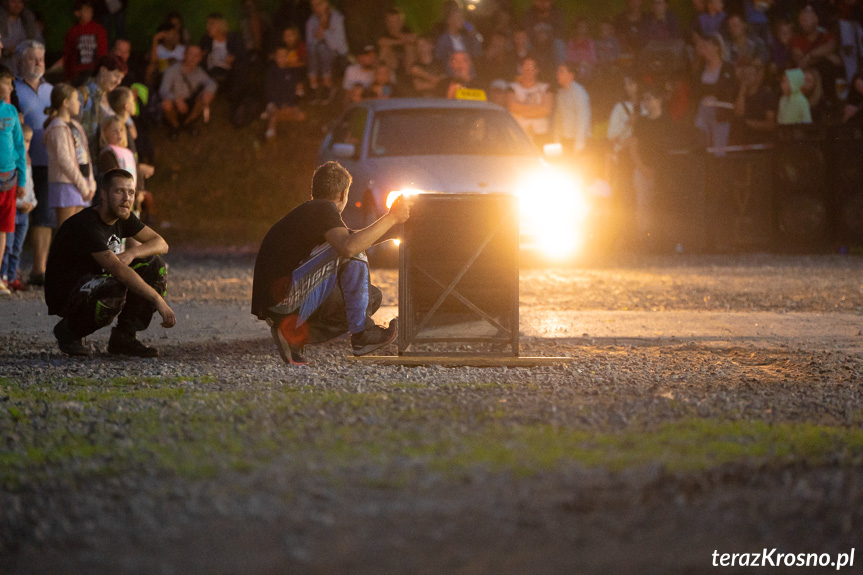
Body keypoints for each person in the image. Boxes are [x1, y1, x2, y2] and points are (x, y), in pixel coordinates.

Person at [251, 161, 410, 365]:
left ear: (314, 191)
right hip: (285, 297)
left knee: (371, 296)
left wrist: (390, 229)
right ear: (344, 194)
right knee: (353, 250)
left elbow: (348, 238)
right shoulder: (322, 208)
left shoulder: (311, 212)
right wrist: (392, 217)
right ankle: (362, 335)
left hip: (278, 299)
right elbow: (349, 246)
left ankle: (293, 335)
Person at [44, 167, 175, 357]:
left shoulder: (123, 215)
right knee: (114, 288)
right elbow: (118, 270)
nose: (126, 198)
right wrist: (157, 299)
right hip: (67, 292)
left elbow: (161, 244)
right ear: (104, 194)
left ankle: (124, 338)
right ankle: (69, 331)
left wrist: (132, 253)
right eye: (119, 191)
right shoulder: (87, 224)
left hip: (96, 279)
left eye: (130, 192)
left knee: (155, 266)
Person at [13, 40, 52, 286]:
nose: (38, 63)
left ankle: (40, 269)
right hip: (21, 163)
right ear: (19, 62)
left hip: (47, 162)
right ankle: (10, 271)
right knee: (16, 216)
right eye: (32, 58)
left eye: (41, 58)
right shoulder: (12, 89)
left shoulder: (52, 89)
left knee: (44, 216)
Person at [44, 82, 96, 228]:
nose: (79, 103)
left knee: (78, 231)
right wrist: (83, 186)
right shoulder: (57, 127)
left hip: (81, 184)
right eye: (76, 99)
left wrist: (90, 182)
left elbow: (86, 154)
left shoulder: (76, 125)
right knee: (67, 230)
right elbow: (64, 160)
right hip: (66, 184)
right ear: (66, 103)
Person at [0, 62, 25, 296]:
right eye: (7, 82)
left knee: (4, 229)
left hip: (9, 179)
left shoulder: (10, 112)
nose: (10, 87)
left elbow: (19, 146)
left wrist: (23, 180)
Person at [158, 45, 217, 139]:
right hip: (175, 102)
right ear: (184, 55)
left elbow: (211, 83)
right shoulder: (172, 70)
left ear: (200, 58)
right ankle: (175, 126)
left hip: (189, 101)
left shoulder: (199, 71)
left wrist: (208, 91)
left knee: (207, 96)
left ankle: (188, 123)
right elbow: (163, 91)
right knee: (166, 104)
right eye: (190, 54)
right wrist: (176, 99)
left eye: (196, 55)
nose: (193, 58)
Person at [2, 122, 34, 292]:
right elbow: (12, 191)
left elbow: (30, 186)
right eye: (23, 140)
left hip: (25, 211)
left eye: (28, 141)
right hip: (15, 209)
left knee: (18, 246)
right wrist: (22, 203)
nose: (25, 144)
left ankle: (13, 275)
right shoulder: (10, 162)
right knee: (8, 244)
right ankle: (5, 275)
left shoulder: (27, 161)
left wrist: (33, 202)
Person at [76, 53, 126, 158]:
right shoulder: (82, 95)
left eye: (121, 78)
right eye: (116, 75)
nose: (118, 82)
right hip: (87, 160)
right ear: (103, 70)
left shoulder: (111, 98)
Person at [305, 0, 348, 105]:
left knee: (323, 48)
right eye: (313, 5)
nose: (316, 8)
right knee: (315, 48)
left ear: (326, 3)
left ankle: (327, 86)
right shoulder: (311, 21)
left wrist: (325, 33)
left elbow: (338, 45)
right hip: (318, 56)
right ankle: (313, 87)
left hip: (339, 56)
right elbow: (310, 43)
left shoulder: (337, 18)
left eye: (318, 4)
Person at [263, 43, 305, 140]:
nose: (282, 58)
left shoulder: (293, 71)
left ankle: (296, 135)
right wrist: (279, 105)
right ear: (275, 57)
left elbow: (297, 91)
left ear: (288, 57)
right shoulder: (271, 72)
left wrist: (290, 104)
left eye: (284, 55)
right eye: (279, 56)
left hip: (289, 103)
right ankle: (271, 133)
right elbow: (269, 91)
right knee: (273, 113)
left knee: (300, 116)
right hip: (275, 103)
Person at [506, 55, 553, 144]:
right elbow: (512, 108)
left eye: (531, 68)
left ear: (537, 70)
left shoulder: (545, 88)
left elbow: (545, 110)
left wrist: (521, 110)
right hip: (519, 134)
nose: (528, 71)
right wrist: (537, 108)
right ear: (520, 69)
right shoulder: (512, 88)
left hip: (541, 134)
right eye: (525, 67)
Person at [62, 0, 108, 84]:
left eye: (91, 11)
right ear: (77, 13)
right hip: (77, 75)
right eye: (86, 11)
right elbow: (68, 55)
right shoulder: (72, 32)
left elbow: (102, 52)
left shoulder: (99, 30)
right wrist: (68, 76)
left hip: (94, 73)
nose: (89, 13)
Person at [732, 58, 777, 143]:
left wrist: (748, 123)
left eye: (750, 74)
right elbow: (738, 114)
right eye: (744, 74)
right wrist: (741, 92)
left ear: (758, 77)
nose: (746, 77)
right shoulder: (738, 93)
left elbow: (770, 124)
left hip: (761, 140)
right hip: (741, 140)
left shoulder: (767, 95)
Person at [552, 61, 591, 155]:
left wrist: (579, 144)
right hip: (564, 140)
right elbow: (558, 118)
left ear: (571, 75)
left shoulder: (579, 92)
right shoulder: (560, 93)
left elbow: (583, 119)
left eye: (561, 72)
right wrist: (556, 140)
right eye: (558, 71)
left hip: (577, 141)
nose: (558, 74)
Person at [0, 0, 43, 71]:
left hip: (25, 69)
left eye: (20, 2)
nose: (17, 5)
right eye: (13, 2)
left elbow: (38, 42)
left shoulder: (29, 20)